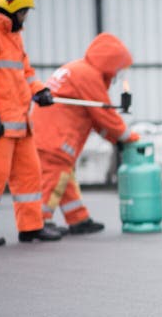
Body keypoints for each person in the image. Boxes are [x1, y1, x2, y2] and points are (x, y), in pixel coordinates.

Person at [31, 32, 139, 235]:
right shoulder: (87, 75)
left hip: (48, 132)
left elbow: (95, 118)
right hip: (57, 137)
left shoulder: (78, 69)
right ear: (111, 63)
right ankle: (39, 222)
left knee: (65, 176)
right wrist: (127, 137)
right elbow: (104, 114)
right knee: (53, 178)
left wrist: (114, 138)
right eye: (119, 68)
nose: (118, 75)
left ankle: (78, 218)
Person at [0, 0, 61, 246]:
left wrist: (40, 91)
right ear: (9, 8)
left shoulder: (13, 36)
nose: (25, 17)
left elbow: (25, 72)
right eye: (23, 12)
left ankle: (31, 227)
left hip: (19, 122)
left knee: (30, 176)